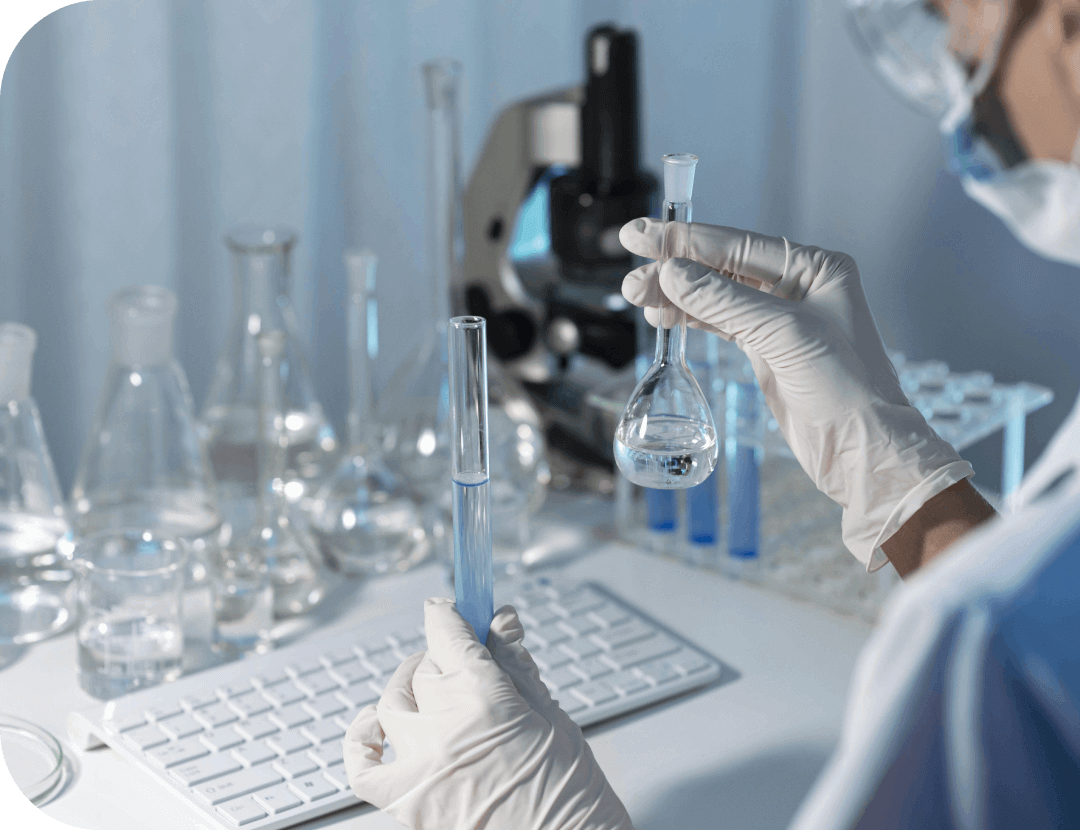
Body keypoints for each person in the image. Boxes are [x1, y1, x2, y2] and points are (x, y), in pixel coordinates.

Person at [343, 1, 1080, 826]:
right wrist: (915, 495)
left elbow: (1024, 644)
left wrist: (541, 813)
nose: (951, 46)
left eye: (952, 12)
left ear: (1063, 20)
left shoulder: (981, 635)